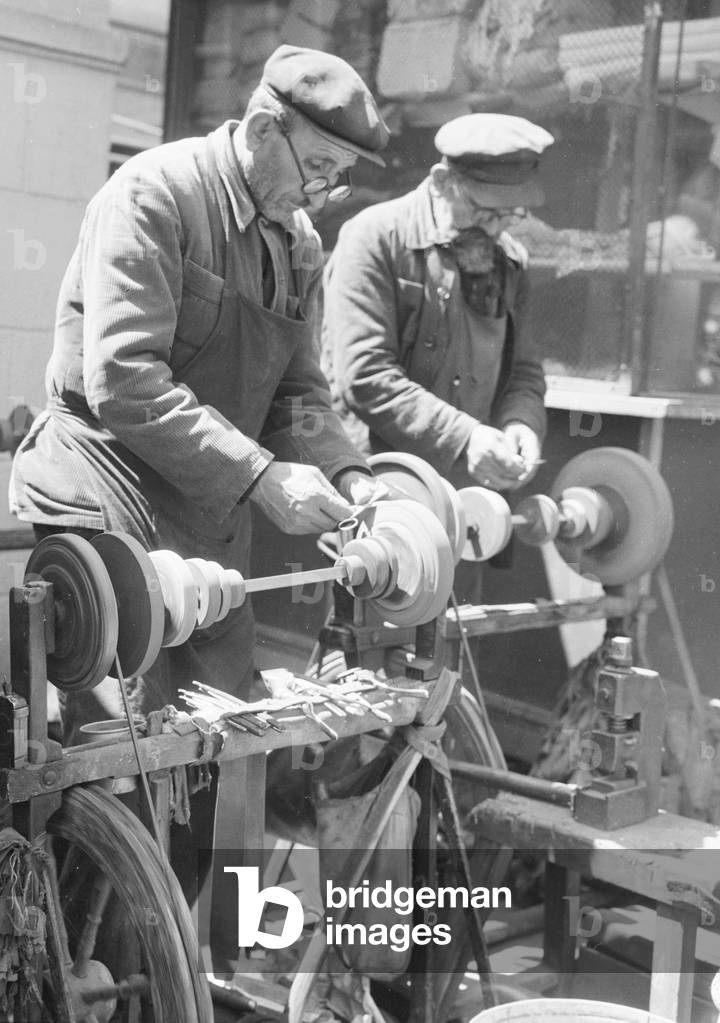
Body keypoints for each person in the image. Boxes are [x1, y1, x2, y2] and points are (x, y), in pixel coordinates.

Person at [9, 46, 388, 927]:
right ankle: (64, 961)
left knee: (207, 758)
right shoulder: (154, 195)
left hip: (206, 516)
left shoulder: (298, 243)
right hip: (102, 495)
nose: (323, 192)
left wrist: (354, 476)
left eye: (338, 176)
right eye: (317, 167)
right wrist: (258, 474)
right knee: (110, 767)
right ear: (261, 130)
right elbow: (123, 379)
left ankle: (157, 966)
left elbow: (301, 395)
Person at [322, 113, 552, 497]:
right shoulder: (375, 238)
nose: (495, 228)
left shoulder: (510, 259)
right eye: (484, 210)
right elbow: (365, 376)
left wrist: (521, 423)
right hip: (380, 484)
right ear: (442, 182)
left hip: (470, 493)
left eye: (509, 214)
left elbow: (524, 374)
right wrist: (465, 437)